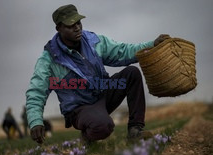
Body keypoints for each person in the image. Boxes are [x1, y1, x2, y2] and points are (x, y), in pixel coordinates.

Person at [26, 4, 170, 144]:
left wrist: (152, 45)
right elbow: (36, 92)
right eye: (71, 25)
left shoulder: (92, 40)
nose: (77, 28)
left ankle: (135, 131)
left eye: (78, 22)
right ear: (59, 28)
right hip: (80, 108)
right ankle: (87, 135)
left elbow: (122, 51)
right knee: (103, 127)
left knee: (132, 73)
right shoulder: (49, 59)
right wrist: (35, 121)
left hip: (103, 94)